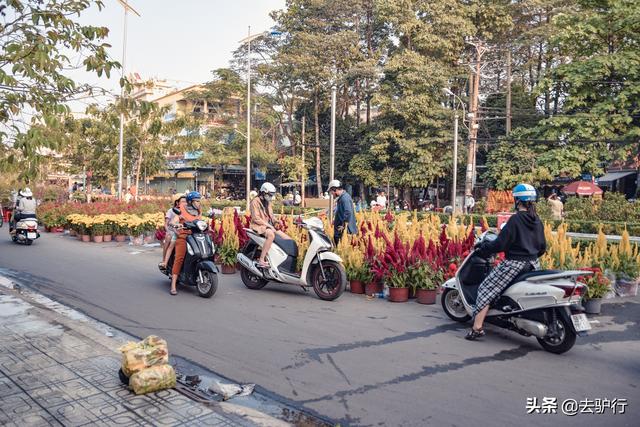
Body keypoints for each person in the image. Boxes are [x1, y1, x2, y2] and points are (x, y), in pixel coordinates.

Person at [466, 183, 546, 340]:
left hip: (514, 264)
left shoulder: (515, 220)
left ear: (517, 201)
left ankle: (477, 328)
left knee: (485, 288)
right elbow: (543, 247)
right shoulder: (537, 220)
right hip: (533, 264)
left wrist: (483, 249)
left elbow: (500, 244)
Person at [250, 182, 291, 268]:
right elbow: (256, 218)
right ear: (264, 192)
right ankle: (261, 259)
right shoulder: (255, 202)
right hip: (259, 226)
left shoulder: (267, 202)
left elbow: (271, 215)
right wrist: (268, 225)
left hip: (268, 226)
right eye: (270, 194)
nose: (271, 197)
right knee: (271, 235)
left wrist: (277, 221)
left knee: (288, 240)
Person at [170, 191, 202, 295]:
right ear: (190, 201)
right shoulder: (182, 209)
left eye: (199, 201)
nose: (198, 203)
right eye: (196, 201)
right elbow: (173, 220)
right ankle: (173, 285)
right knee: (179, 258)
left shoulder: (198, 210)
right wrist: (176, 224)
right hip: (184, 236)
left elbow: (200, 221)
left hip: (196, 236)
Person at [159, 195, 186, 269]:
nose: (185, 203)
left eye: (186, 201)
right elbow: (166, 224)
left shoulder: (187, 211)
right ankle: (164, 260)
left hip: (183, 230)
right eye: (183, 201)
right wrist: (168, 231)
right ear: (177, 202)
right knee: (168, 237)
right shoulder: (171, 211)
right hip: (171, 229)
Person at [328, 180, 357, 244]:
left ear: (335, 189)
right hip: (342, 230)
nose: (332, 194)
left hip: (346, 231)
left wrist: (343, 225)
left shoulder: (345, 198)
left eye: (331, 191)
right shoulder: (342, 197)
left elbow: (348, 212)